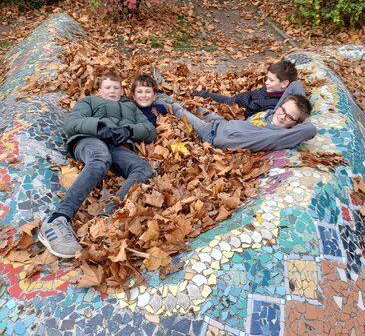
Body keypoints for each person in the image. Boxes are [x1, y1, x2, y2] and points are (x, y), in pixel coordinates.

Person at [38, 71, 157, 259]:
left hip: (118, 146)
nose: (112, 91)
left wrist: (129, 130)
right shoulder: (89, 102)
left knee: (144, 169)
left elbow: (150, 131)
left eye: (116, 87)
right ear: (100, 90)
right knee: (101, 159)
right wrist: (99, 126)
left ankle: (109, 216)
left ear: (122, 91)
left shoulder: (130, 108)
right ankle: (57, 219)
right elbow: (71, 123)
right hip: (91, 140)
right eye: (108, 87)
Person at [158, 82, 316, 152]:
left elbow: (310, 129)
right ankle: (163, 89)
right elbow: (295, 84)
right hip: (222, 122)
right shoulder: (275, 112)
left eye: (289, 117)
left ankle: (154, 96)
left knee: (179, 110)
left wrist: (299, 119)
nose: (281, 116)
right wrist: (294, 108)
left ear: (294, 125)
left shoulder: (278, 134)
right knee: (194, 105)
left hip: (212, 135)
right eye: (282, 110)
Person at [192, 60, 298, 117]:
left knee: (202, 109)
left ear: (284, 84)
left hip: (233, 110)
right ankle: (191, 94)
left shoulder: (273, 105)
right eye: (267, 78)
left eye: (271, 80)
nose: (266, 82)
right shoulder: (272, 90)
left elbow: (249, 117)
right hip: (234, 100)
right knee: (205, 95)